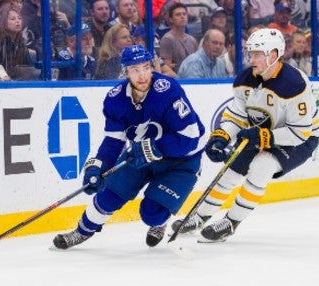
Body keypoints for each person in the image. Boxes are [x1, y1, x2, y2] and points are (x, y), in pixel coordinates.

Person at [171, 28, 319, 242]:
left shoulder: (294, 84)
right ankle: (200, 216)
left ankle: (231, 222)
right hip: (263, 131)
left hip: (299, 139)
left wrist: (263, 137)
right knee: (232, 170)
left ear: (273, 55)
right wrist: (221, 136)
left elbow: (300, 132)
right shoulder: (245, 79)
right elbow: (237, 114)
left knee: (262, 165)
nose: (252, 59)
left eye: (257, 54)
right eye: (251, 53)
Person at [53, 44, 206, 250]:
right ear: (125, 71)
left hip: (181, 160)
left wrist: (155, 147)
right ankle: (82, 231)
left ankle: (159, 222)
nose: (142, 75)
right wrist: (98, 166)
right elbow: (113, 141)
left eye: (145, 67)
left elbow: (190, 136)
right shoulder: (115, 99)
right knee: (109, 195)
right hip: (141, 154)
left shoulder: (168, 90)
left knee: (151, 213)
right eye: (135, 70)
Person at [0, 6, 38, 80]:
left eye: (19, 18)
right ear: (4, 23)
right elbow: (2, 70)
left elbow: (28, 67)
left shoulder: (21, 42)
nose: (18, 21)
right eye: (13, 19)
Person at [159, 2, 198, 74]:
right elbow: (166, 68)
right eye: (178, 15)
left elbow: (196, 64)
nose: (182, 17)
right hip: (177, 80)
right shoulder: (167, 39)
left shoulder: (192, 40)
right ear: (171, 19)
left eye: (184, 14)